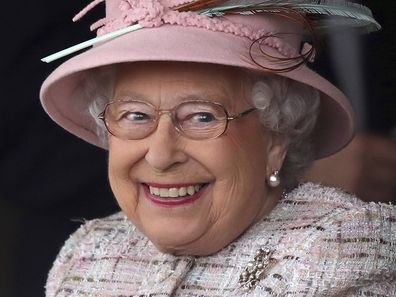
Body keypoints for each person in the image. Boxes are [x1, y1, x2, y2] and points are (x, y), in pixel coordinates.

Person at [40, 0, 395, 296]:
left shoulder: (335, 249)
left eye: (202, 117)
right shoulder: (88, 252)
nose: (161, 155)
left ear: (276, 136)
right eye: (136, 115)